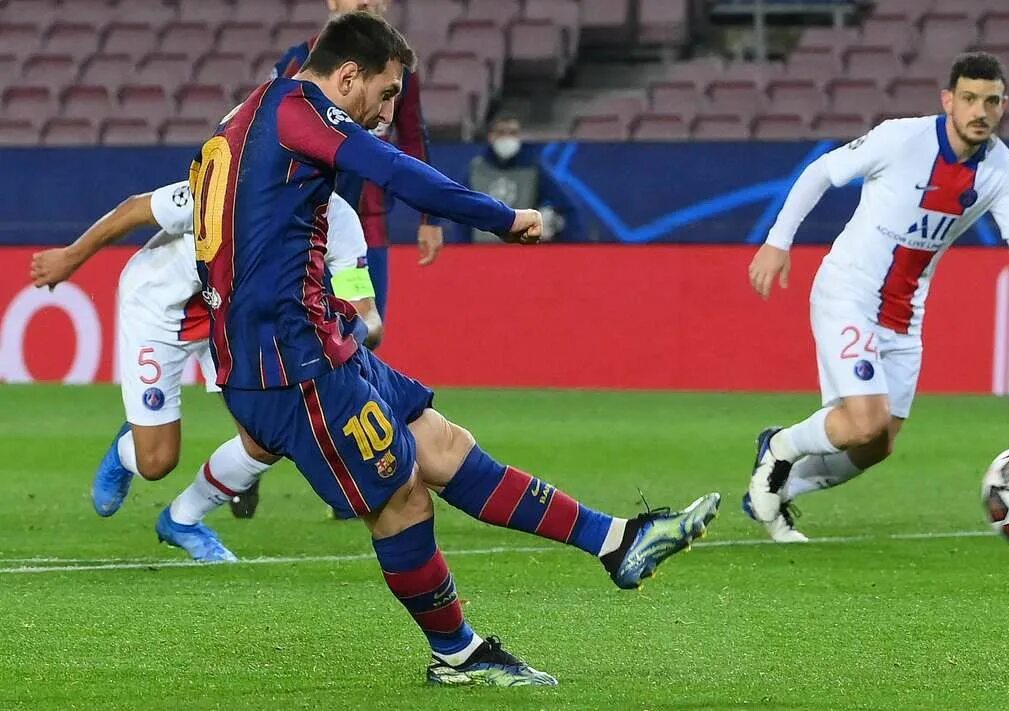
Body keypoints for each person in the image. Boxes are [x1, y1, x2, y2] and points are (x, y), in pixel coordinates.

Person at [195, 12, 719, 686]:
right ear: (347, 75)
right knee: (403, 497)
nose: (386, 112)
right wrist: (503, 218)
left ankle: (617, 540)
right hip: (291, 363)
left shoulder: (250, 112)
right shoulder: (303, 113)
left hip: (315, 339)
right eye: (384, 94)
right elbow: (398, 173)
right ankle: (458, 654)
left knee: (442, 444)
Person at [743, 52, 1009, 543]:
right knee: (864, 422)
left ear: (1003, 105)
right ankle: (777, 448)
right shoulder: (900, 139)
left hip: (903, 315)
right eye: (968, 99)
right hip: (849, 292)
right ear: (948, 100)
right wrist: (778, 241)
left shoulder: (1003, 169)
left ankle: (780, 488)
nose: (979, 112)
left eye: (991, 101)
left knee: (876, 445)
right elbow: (822, 171)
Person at [28, 183, 378, 561]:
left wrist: (351, 330)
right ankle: (129, 447)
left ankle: (182, 519)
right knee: (157, 462)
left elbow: (366, 314)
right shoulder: (236, 181)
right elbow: (135, 209)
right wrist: (70, 257)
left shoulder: (341, 221)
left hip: (229, 321)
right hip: (160, 305)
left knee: (267, 439)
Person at [274, 0, 444, 322]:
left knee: (364, 328)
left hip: (369, 225)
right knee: (307, 326)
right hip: (307, 221)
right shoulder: (300, 60)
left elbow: (413, 137)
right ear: (332, 1)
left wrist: (429, 217)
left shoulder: (399, 69)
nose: (364, 1)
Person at [466, 116, 581, 243]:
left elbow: (566, 207)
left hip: (521, 250)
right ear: (491, 136)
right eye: (501, 132)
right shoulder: (476, 170)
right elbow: (463, 212)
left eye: (513, 133)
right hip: (481, 250)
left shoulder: (533, 169)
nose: (507, 138)